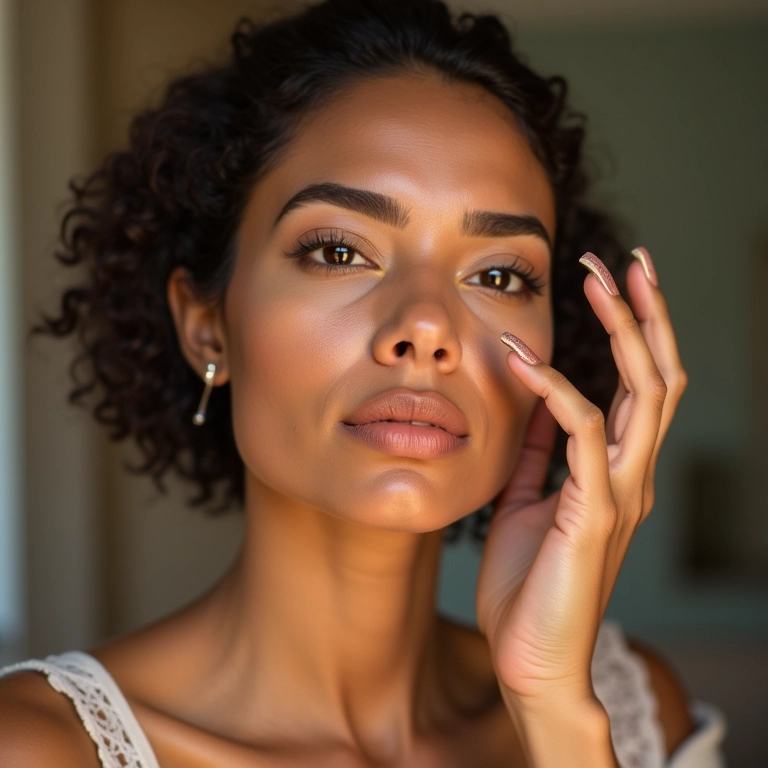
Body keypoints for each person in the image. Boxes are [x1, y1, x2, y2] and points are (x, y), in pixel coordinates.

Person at [0, 0, 727, 765]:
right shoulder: (37, 748)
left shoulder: (635, 714)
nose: (428, 325)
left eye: (498, 275)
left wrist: (551, 708)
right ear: (208, 325)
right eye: (339, 252)